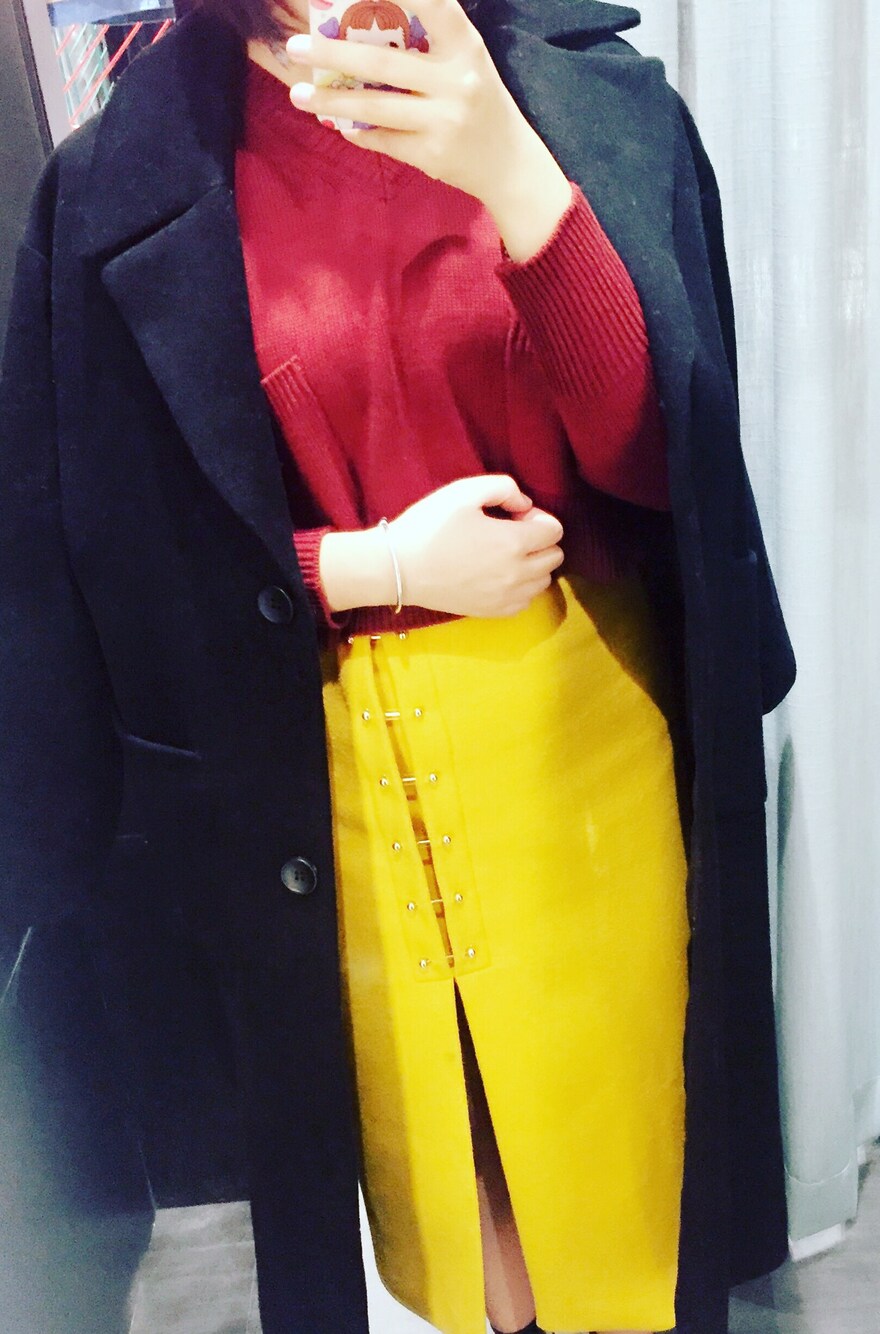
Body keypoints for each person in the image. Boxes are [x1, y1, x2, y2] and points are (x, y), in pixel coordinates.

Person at [0, 0, 796, 1331]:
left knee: (633, 1170)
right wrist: (373, 567)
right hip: (336, 782)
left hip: (584, 743)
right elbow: (127, 561)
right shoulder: (118, 182)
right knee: (463, 1190)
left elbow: (670, 473)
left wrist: (513, 174)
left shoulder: (587, 99)